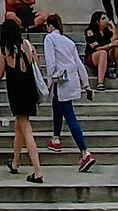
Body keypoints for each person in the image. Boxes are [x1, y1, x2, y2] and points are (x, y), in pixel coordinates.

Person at [40, 13, 96, 171]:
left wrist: (49, 83)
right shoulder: (69, 42)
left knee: (69, 115)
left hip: (60, 80)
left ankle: (85, 152)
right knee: (57, 106)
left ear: (50, 26)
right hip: (71, 79)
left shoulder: (50, 39)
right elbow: (79, 64)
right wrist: (86, 84)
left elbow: (50, 63)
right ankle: (55, 138)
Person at [0, 18, 45, 182]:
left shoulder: (4, 50)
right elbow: (37, 64)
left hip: (16, 92)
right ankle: (15, 162)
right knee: (19, 126)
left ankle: (37, 170)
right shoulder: (27, 45)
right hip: (30, 90)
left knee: (26, 128)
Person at [83, 9, 118, 89]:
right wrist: (110, 45)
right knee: (102, 52)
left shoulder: (106, 31)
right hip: (93, 56)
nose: (106, 20)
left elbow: (114, 40)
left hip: (107, 54)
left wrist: (113, 27)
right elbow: (96, 48)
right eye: (103, 19)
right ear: (97, 22)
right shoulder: (90, 31)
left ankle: (116, 70)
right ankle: (100, 82)